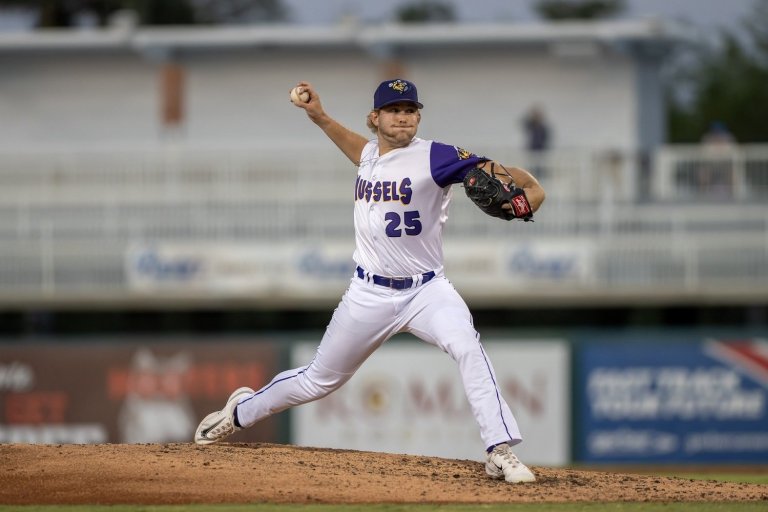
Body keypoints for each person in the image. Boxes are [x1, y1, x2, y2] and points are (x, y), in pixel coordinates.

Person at [194, 78, 546, 484]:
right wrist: (319, 117)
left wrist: (528, 195)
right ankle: (239, 412)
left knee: (467, 345)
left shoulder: (437, 156)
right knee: (317, 381)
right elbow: (357, 149)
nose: (404, 116)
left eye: (410, 110)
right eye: (394, 110)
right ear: (375, 118)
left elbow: (512, 178)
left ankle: (499, 450)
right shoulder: (368, 155)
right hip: (368, 292)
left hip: (426, 290)